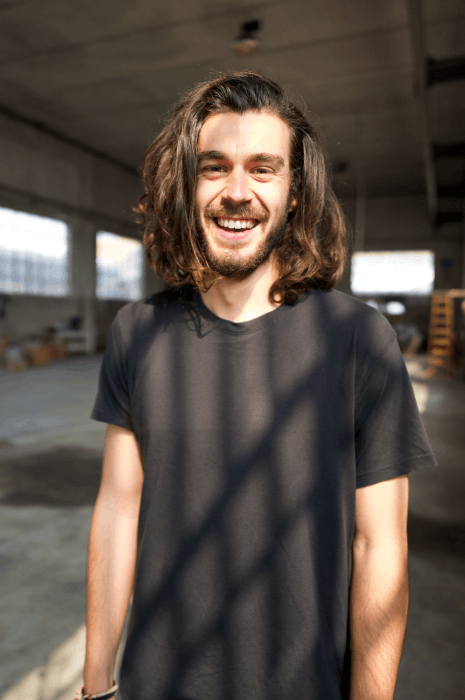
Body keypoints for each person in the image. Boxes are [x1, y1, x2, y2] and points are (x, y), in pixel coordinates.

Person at [80, 71, 437, 700]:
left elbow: (378, 544)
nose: (237, 192)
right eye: (214, 168)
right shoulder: (137, 332)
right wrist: (95, 683)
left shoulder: (359, 338)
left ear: (295, 192)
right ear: (187, 185)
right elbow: (117, 510)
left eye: (263, 169)